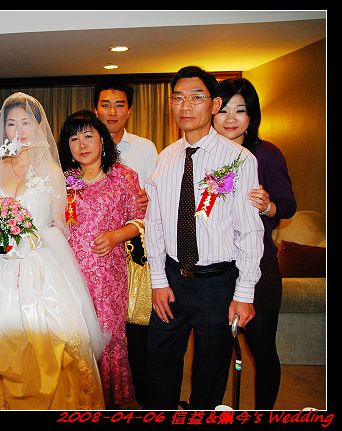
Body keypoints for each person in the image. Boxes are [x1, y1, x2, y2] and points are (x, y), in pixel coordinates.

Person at [0, 93, 107, 410]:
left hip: (39, 267)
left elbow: (59, 226)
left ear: (38, 126)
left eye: (26, 122)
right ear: (3, 129)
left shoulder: (52, 171)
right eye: (11, 124)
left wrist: (29, 241)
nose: (19, 130)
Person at [143, 66, 264, 410]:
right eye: (178, 98)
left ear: (214, 105)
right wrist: (157, 280)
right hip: (172, 279)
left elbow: (249, 230)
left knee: (210, 371)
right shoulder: (166, 158)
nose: (185, 106)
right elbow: (155, 224)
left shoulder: (239, 159)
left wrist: (244, 293)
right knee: (159, 363)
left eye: (196, 97)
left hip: (216, 284)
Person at [214, 77, 296, 409]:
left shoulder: (266, 154)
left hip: (259, 265)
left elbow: (287, 205)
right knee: (215, 349)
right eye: (224, 110)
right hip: (215, 268)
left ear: (252, 116)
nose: (230, 119)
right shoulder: (201, 155)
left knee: (261, 347)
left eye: (240, 110)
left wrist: (267, 205)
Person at [58, 110, 145, 408]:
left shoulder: (123, 176)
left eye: (88, 136)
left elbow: (141, 220)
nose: (82, 144)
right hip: (70, 273)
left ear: (102, 140)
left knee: (109, 338)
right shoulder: (64, 181)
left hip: (108, 275)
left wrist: (117, 235)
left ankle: (112, 401)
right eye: (74, 138)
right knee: (75, 336)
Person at [93, 78, 158, 407]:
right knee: (95, 326)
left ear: (129, 110)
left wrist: (146, 202)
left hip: (136, 249)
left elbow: (156, 196)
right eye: (105, 105)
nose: (112, 112)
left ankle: (137, 397)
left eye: (119, 105)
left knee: (135, 329)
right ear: (96, 109)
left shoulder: (145, 148)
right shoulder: (85, 147)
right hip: (96, 254)